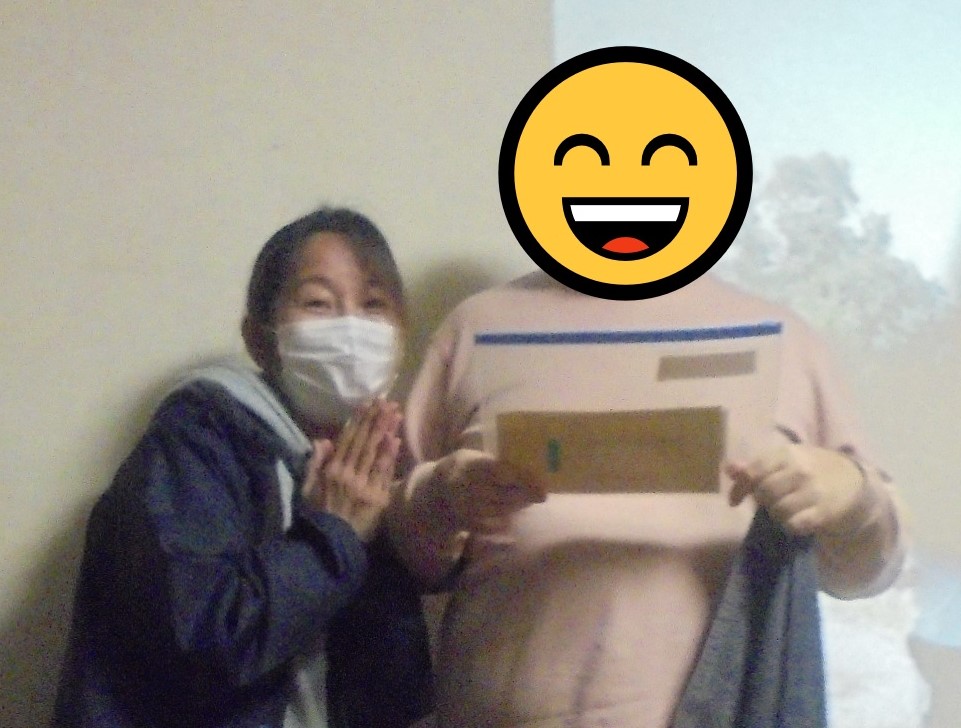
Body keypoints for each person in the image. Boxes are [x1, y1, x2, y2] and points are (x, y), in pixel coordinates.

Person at [387, 269, 904, 728]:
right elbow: (399, 560)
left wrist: (854, 498)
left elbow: (867, 573)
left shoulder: (784, 341)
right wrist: (440, 497)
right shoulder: (476, 329)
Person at [53, 207, 434, 728]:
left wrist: (431, 534)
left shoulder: (370, 461)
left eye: (373, 304)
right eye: (318, 303)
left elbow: (387, 682)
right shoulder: (198, 438)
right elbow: (199, 642)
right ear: (259, 338)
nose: (351, 328)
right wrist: (332, 536)